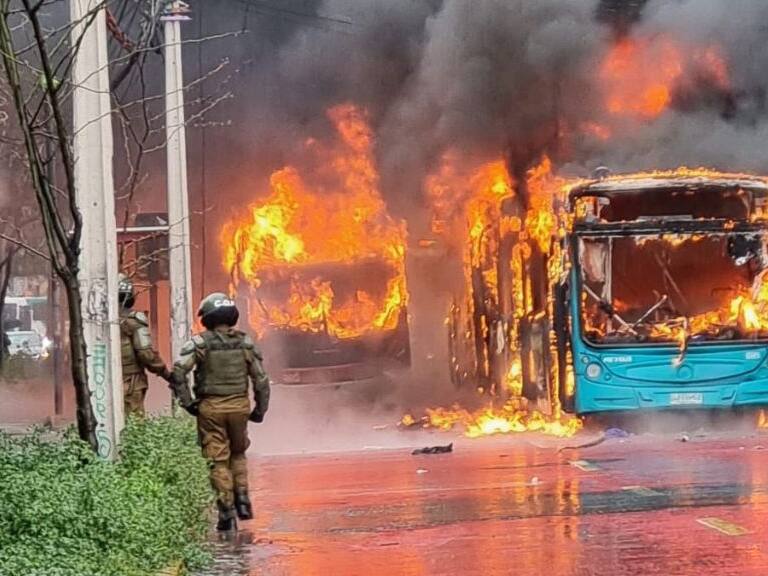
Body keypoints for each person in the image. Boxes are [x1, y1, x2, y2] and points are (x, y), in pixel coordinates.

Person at [171, 293, 271, 532]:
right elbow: (261, 380)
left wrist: (188, 403)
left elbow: (178, 372)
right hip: (239, 407)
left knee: (217, 460)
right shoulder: (245, 343)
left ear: (207, 318)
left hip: (211, 409)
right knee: (238, 453)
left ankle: (226, 511)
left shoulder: (200, 344)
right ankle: (243, 499)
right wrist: (260, 409)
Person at [119, 274, 172, 417]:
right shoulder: (133, 321)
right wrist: (167, 375)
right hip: (130, 383)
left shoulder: (96, 321)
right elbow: (146, 354)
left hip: (102, 384)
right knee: (134, 424)